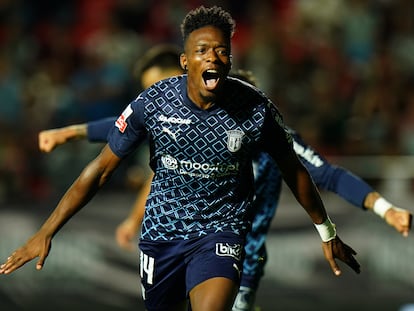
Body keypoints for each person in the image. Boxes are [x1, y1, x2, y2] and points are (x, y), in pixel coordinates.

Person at [0, 6, 361, 311]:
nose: (213, 58)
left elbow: (294, 171)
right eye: (203, 50)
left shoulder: (255, 109)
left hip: (221, 231)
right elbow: (101, 170)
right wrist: (46, 231)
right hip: (162, 235)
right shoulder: (154, 102)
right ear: (186, 61)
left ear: (230, 58)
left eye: (221, 51)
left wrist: (326, 230)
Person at [39, 67, 413, 311]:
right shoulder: (186, 123)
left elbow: (327, 175)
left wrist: (385, 209)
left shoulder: (268, 132)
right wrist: (70, 132)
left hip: (237, 253)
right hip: (174, 242)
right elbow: (130, 127)